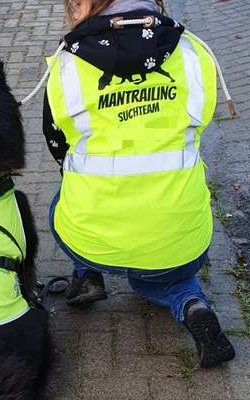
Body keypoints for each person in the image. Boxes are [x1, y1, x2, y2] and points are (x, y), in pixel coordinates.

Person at [42, 0, 235, 368]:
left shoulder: (68, 63)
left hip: (94, 232)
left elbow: (57, 144)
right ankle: (191, 303)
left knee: (63, 201)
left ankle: (87, 277)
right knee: (162, 278)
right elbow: (200, 125)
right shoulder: (193, 51)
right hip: (177, 231)